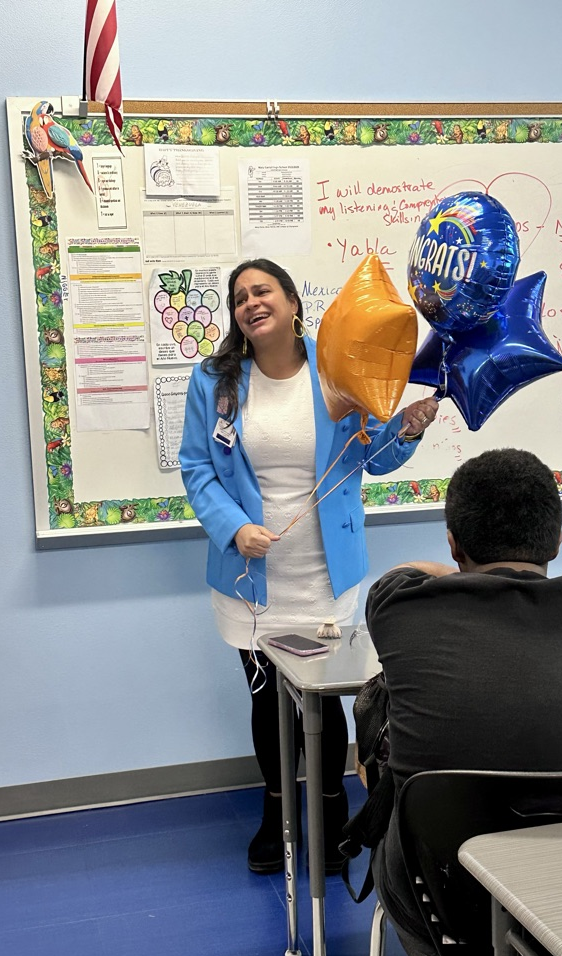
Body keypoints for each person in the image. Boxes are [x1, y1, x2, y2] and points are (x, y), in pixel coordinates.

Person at [179, 258, 438, 875]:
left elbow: (371, 459)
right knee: (268, 701)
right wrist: (233, 528)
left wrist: (405, 431)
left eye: (262, 290)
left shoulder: (337, 363)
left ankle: (326, 816)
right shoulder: (215, 380)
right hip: (249, 580)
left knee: (321, 702)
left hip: (324, 575)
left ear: (293, 302)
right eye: (239, 297)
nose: (250, 302)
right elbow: (197, 468)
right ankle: (277, 815)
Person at [364, 447, 562, 956]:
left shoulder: (400, 609)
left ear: (453, 545)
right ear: (557, 538)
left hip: (450, 897)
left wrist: (451, 575)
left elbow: (399, 573)